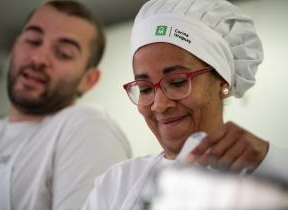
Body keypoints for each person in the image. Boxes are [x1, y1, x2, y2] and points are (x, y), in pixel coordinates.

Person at [82, 0, 288, 209]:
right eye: (145, 88)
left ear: (222, 80)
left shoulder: (266, 176)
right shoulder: (117, 184)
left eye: (178, 82)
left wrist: (270, 160)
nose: (159, 105)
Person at [0, 1, 132, 210]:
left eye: (63, 53)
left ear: (89, 79)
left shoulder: (86, 127)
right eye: (32, 40)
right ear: (14, 48)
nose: (38, 58)